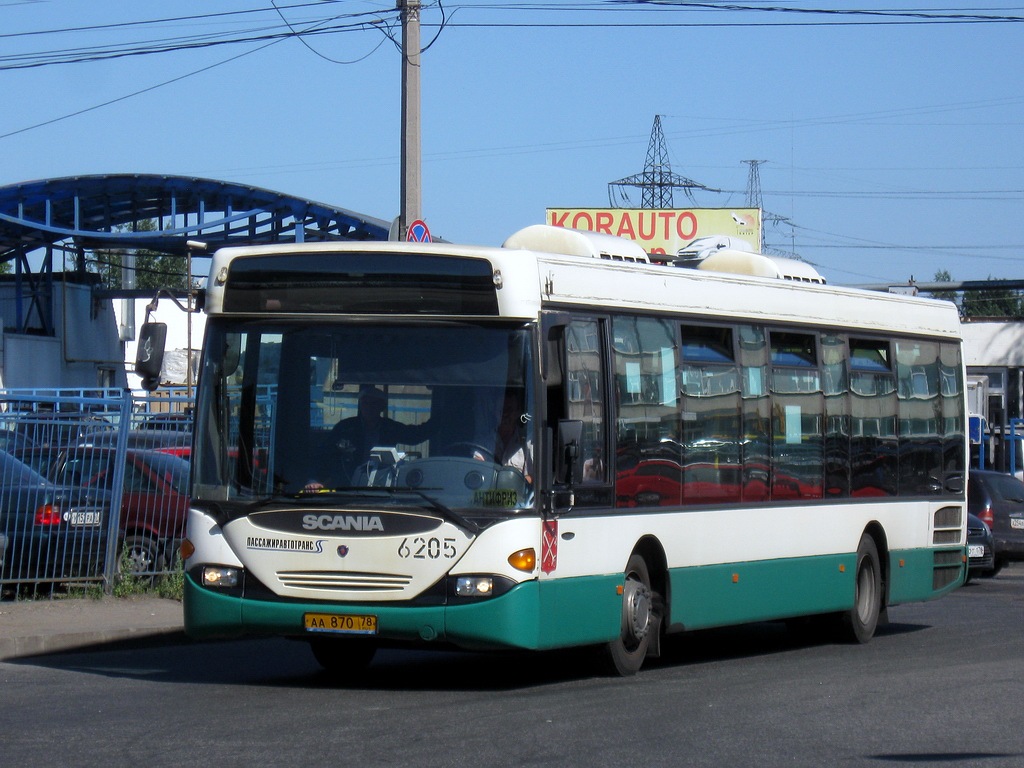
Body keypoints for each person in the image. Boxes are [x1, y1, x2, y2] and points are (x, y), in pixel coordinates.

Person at [305, 385, 431, 491]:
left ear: (382, 407)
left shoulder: (390, 428)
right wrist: (314, 479)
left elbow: (414, 436)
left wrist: (437, 421)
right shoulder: (344, 428)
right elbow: (324, 454)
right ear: (360, 405)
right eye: (365, 403)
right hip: (345, 487)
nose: (369, 407)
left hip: (379, 487)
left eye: (374, 403)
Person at [492, 389, 534, 483]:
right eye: (501, 410)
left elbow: (535, 477)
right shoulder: (485, 442)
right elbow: (478, 467)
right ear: (495, 412)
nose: (505, 414)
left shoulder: (528, 441)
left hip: (519, 496)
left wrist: (513, 483)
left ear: (517, 413)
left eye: (509, 410)